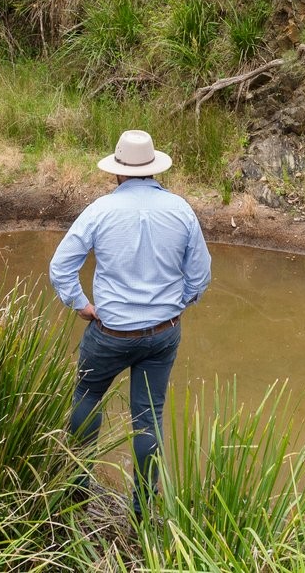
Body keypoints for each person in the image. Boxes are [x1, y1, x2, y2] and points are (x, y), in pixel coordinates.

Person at [48, 129, 211, 512]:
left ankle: (77, 489)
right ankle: (141, 507)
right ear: (154, 170)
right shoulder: (181, 210)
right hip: (163, 333)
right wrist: (177, 305)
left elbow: (60, 268)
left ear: (117, 172)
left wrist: (82, 306)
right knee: (149, 415)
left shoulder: (100, 210)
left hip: (110, 331)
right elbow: (200, 275)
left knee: (88, 396)